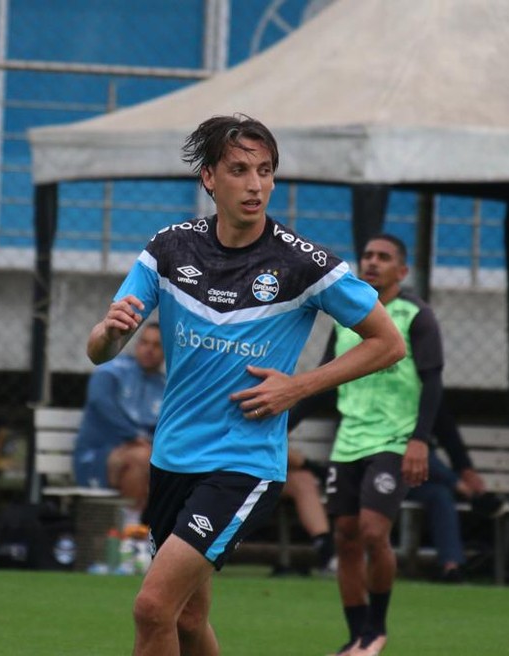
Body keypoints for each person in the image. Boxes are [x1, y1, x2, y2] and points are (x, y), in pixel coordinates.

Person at [85, 114, 406, 656]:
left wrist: (297, 387)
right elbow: (102, 349)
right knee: (187, 620)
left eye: (265, 170)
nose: (256, 184)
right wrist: (107, 333)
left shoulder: (303, 264)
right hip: (172, 459)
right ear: (209, 178)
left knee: (151, 607)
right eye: (240, 170)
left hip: (242, 464)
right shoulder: (169, 250)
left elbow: (388, 343)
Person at [290, 233, 439, 656]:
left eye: (384, 257)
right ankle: (357, 635)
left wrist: (420, 441)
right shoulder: (345, 318)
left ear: (402, 271)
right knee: (346, 536)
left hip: (392, 441)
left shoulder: (416, 316)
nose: (372, 263)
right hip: (348, 442)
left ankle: (376, 629)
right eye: (368, 256)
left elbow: (434, 383)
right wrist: (282, 423)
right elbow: (320, 382)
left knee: (375, 532)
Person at [72, 322, 165, 523]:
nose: (149, 350)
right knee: (141, 458)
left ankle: (131, 534)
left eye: (157, 345)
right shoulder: (112, 371)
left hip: (142, 459)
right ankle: (131, 530)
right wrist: (134, 435)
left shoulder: (165, 385)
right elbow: (99, 402)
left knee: (149, 460)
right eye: (144, 343)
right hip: (97, 458)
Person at [404, 405, 506, 583]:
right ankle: (465, 490)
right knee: (412, 451)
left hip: (416, 480)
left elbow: (448, 434)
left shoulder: (427, 397)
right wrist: (458, 481)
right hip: (385, 475)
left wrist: (466, 469)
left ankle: (451, 566)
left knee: (440, 495)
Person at [281, 445, 334, 573]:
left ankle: (327, 551)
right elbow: (275, 443)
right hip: (232, 470)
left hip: (264, 476)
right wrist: (317, 469)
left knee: (303, 481)